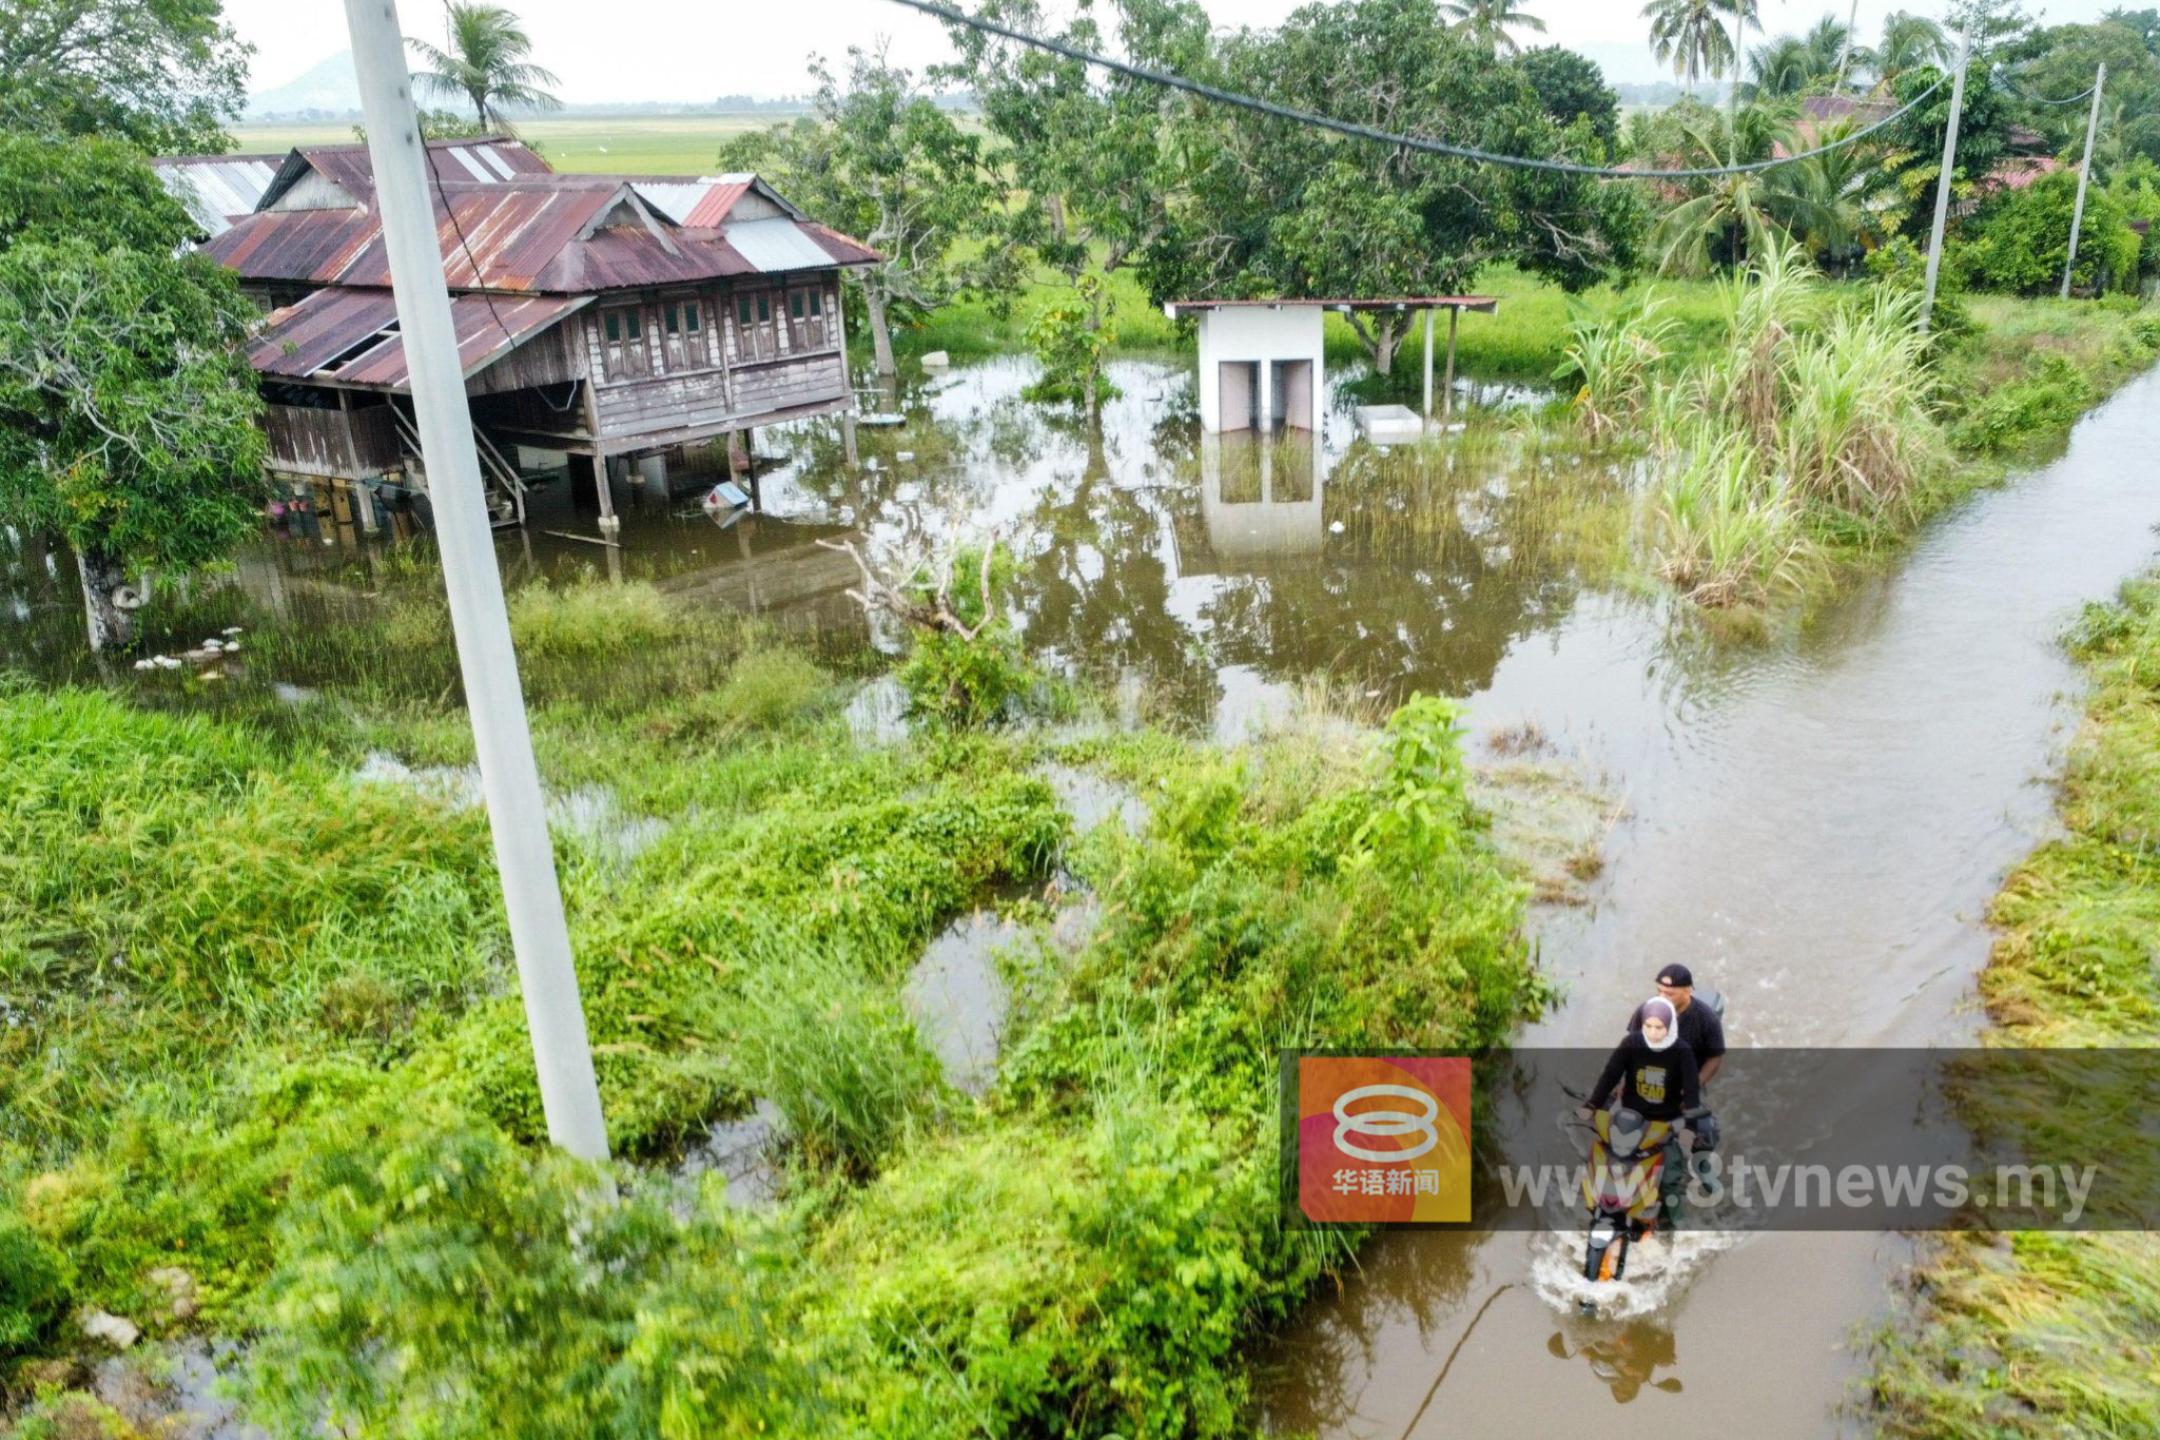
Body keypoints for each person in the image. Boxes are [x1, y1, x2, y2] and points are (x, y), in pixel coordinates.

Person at [1579, 997, 1699, 1234]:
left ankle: (1672, 1229)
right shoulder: (1630, 1043)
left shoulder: (1682, 1052)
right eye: (1648, 1026)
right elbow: (1610, 1075)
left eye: (1659, 1028)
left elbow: (1692, 1093)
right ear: (1642, 1024)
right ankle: (1602, 1208)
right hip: (1629, 1118)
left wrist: (1689, 1128)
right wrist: (1592, 1104)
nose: (1653, 1033)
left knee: (1670, 1180)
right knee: (1599, 1160)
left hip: (1663, 1125)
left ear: (1669, 1026)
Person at [1626, 964, 1724, 1089]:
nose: (1662, 997)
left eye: (1669, 994)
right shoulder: (1646, 1009)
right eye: (1659, 991)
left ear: (1687, 991)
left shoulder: (1707, 1018)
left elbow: (1714, 1058)